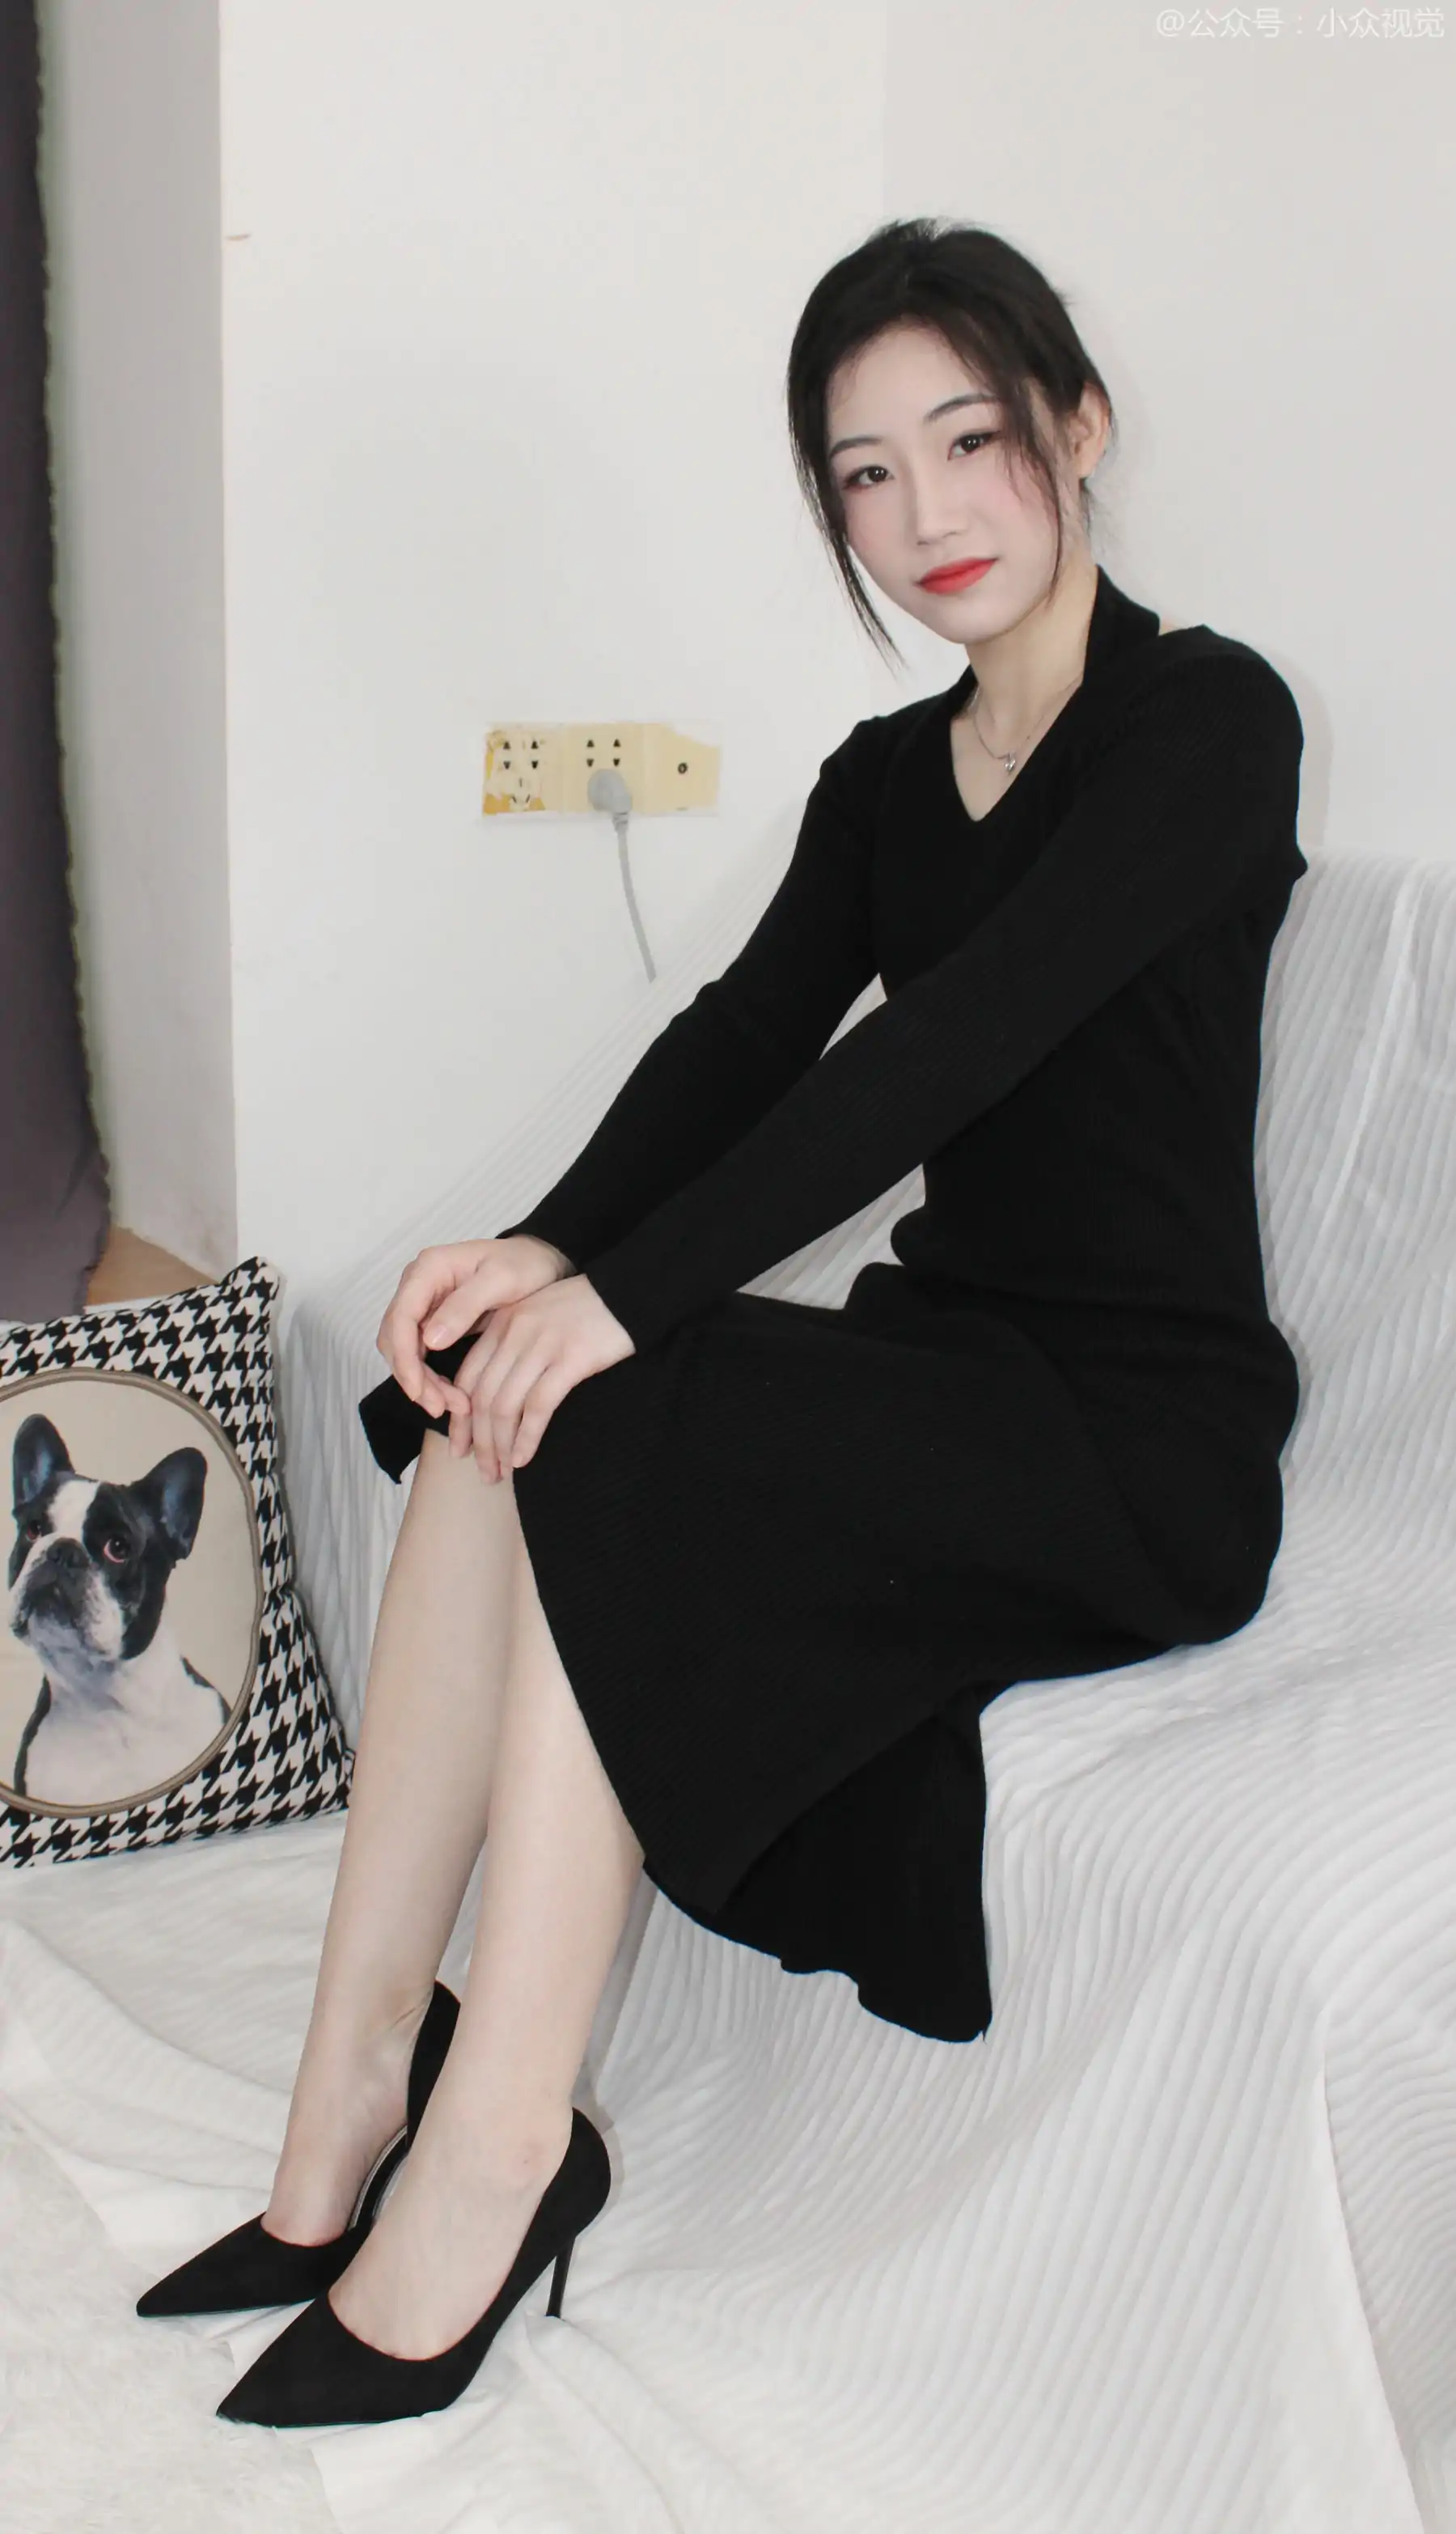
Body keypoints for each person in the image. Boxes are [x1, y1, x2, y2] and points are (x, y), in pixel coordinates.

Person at [140, 217, 1307, 2428]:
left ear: (1079, 429)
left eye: (969, 439)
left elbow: (938, 1054)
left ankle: (503, 2149)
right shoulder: (882, 779)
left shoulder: (1208, 722)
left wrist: (627, 1300)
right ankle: (352, 2084)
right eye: (865, 472)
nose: (925, 511)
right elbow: (746, 1043)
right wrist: (540, 1252)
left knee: (612, 1411)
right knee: (499, 1394)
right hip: (953, 1355)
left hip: (1134, 1438)